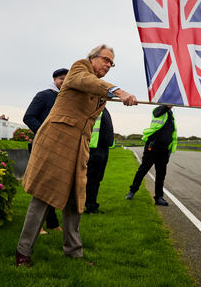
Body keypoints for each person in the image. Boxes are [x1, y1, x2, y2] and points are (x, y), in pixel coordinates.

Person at [16, 44, 137, 267]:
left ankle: (73, 252)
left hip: (79, 149)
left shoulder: (100, 91)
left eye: (112, 63)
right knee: (43, 197)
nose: (108, 65)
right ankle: (23, 253)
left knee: (76, 200)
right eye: (106, 60)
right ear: (92, 58)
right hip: (56, 144)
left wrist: (118, 95)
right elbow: (89, 82)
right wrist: (119, 91)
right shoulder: (79, 69)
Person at [22, 67, 69, 235]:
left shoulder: (67, 97)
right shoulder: (44, 95)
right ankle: (38, 226)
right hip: (42, 145)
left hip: (59, 147)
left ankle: (52, 222)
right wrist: (44, 132)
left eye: (67, 78)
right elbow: (28, 117)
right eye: (61, 78)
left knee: (52, 185)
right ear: (55, 79)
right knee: (41, 185)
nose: (64, 81)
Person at [125, 105, 177, 206]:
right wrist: (166, 105)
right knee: (143, 170)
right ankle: (132, 191)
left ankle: (159, 197)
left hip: (164, 150)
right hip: (152, 147)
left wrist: (169, 149)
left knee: (161, 175)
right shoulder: (158, 110)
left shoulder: (171, 115)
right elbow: (157, 113)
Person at [84, 108, 114, 214]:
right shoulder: (94, 106)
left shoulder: (104, 108)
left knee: (97, 178)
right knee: (92, 178)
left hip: (104, 147)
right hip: (94, 147)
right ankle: (90, 206)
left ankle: (92, 204)